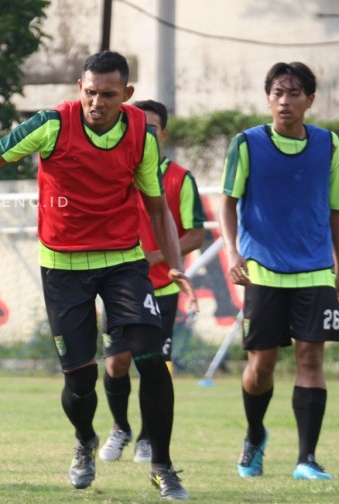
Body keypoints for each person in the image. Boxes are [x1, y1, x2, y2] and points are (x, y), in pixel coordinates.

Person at [0, 51, 197, 500]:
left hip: (123, 262)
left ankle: (163, 467)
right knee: (79, 383)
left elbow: (156, 207)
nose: (96, 102)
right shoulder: (51, 124)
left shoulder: (140, 133)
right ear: (80, 88)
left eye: (107, 95)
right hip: (64, 267)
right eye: (89, 92)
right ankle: (84, 442)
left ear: (126, 95)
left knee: (150, 356)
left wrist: (173, 263)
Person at [218, 62, 339, 481]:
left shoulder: (329, 145)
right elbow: (227, 202)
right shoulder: (246, 144)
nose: (284, 101)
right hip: (263, 272)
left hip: (314, 270)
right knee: (262, 367)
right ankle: (255, 436)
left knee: (311, 359)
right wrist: (234, 254)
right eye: (277, 92)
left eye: (294, 93)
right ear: (267, 97)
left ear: (310, 99)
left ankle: (306, 459)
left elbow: (336, 211)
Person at [98, 99, 205, 465]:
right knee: (115, 364)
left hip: (160, 289)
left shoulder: (179, 178)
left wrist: (157, 256)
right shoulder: (115, 170)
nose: (145, 132)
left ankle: (147, 437)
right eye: (138, 125)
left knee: (152, 365)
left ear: (163, 133)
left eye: (152, 127)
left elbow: (194, 235)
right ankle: (120, 428)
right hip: (116, 284)